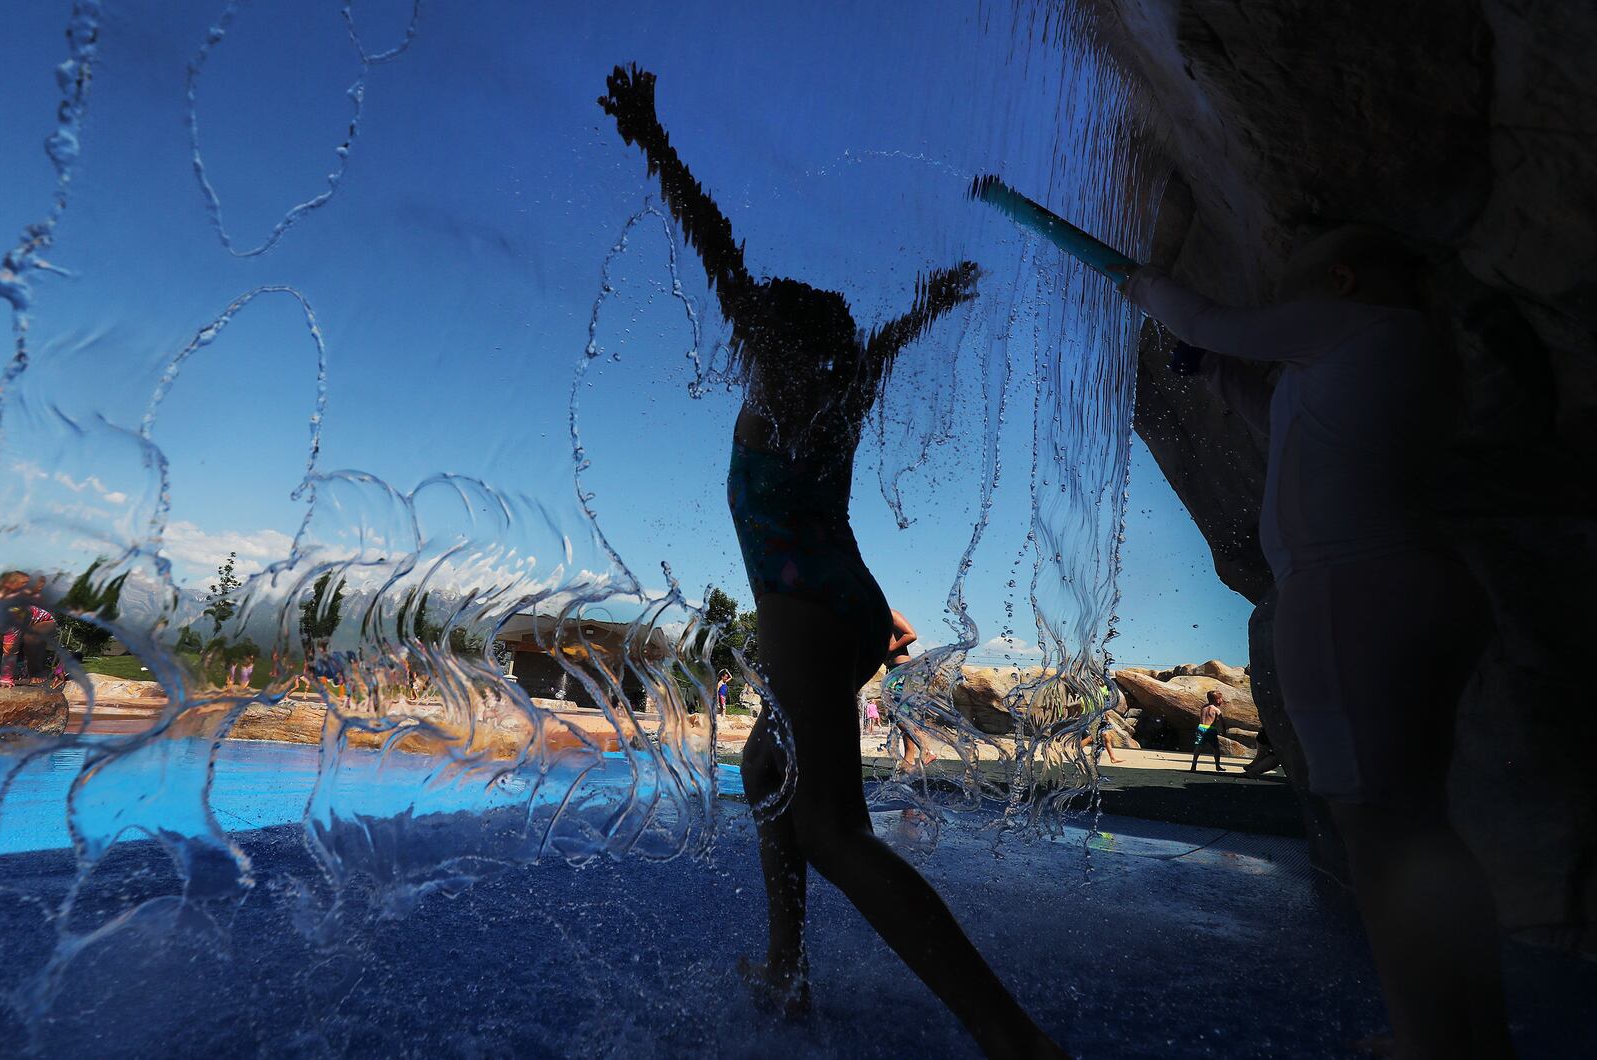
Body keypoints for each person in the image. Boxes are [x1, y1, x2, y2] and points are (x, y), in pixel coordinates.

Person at [600, 64, 1065, 1059]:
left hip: (808, 613)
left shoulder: (778, 379)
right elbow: (881, 349)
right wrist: (926, 308)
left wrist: (655, 138)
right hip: (849, 607)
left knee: (830, 827)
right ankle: (786, 969)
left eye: (756, 319)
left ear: (775, 334)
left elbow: (715, 244)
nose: (742, 323)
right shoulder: (841, 389)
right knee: (764, 765)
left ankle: (1007, 1033)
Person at [1113, 224, 1513, 1058]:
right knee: (1419, 826)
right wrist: (1221, 373)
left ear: (1339, 281)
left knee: (1380, 837)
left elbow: (1212, 319)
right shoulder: (1405, 357)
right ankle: (1474, 1034)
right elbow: (1291, 426)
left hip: (1350, 593)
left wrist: (1146, 286)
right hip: (1416, 584)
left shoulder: (1361, 321)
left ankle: (1427, 1042)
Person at [882, 608, 935, 770]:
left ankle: (925, 748)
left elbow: (911, 634)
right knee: (904, 715)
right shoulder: (875, 619)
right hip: (894, 670)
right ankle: (909, 759)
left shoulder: (890, 614)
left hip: (902, 669)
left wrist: (890, 649)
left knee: (895, 714)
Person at [0, 571, 57, 688]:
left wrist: (6, 679)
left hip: (44, 622)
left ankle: (36, 671)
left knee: (27, 640)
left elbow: (10, 651)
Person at [1189, 690, 1226, 773]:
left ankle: (1193, 765)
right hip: (1210, 730)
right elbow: (1222, 722)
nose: (1222, 700)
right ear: (1217, 700)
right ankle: (1217, 765)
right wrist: (1223, 730)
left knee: (1198, 747)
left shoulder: (1203, 707)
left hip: (1201, 728)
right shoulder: (1216, 710)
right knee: (1216, 748)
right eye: (1221, 699)